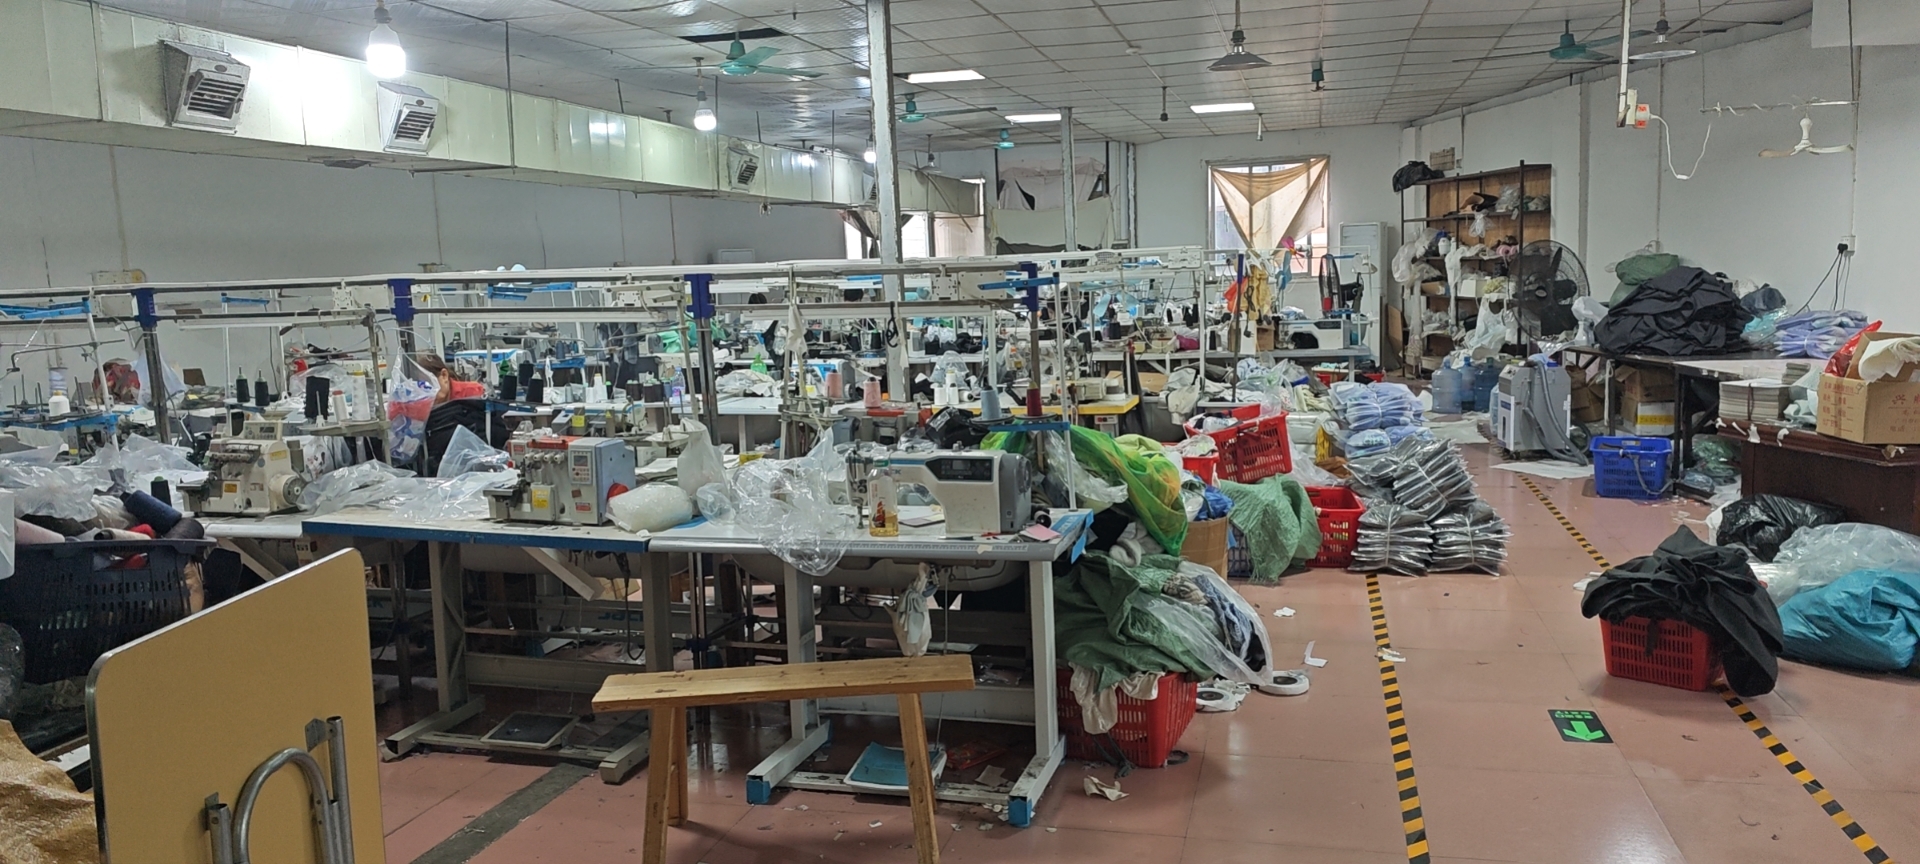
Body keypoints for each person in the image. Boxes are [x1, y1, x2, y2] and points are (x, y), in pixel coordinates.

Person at [414, 353, 508, 475]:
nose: (423, 393)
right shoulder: (412, 403)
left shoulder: (472, 394)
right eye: (417, 389)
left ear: (444, 375)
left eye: (427, 385)